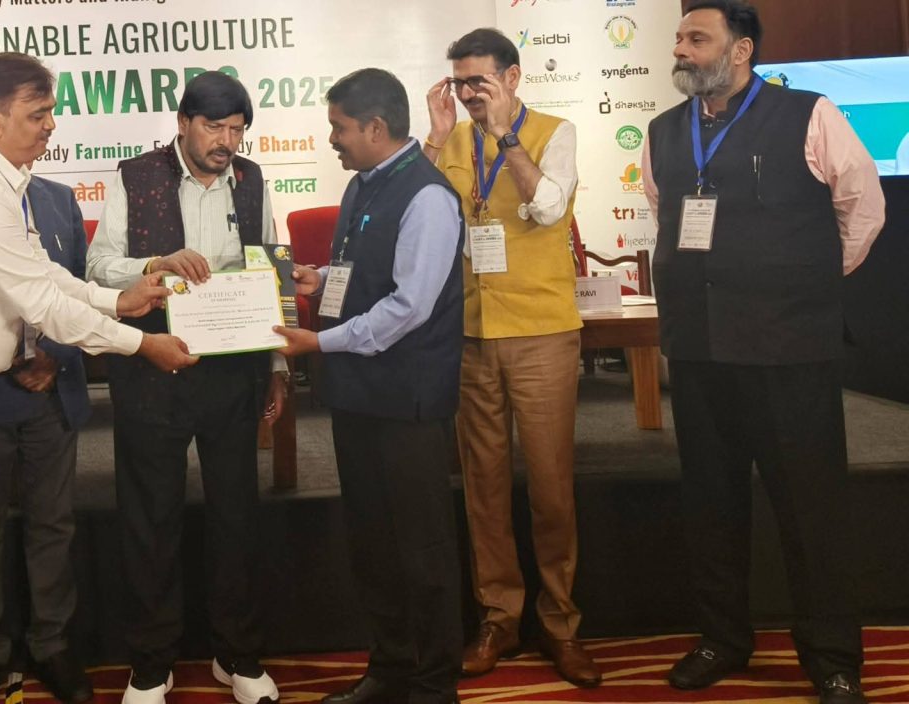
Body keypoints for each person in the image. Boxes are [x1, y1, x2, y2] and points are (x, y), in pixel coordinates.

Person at [0, 51, 194, 704]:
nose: (51, 125)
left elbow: (45, 275)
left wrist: (118, 300)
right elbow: (41, 303)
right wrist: (142, 344)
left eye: (51, 111)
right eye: (38, 113)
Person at [641, 2, 885, 703]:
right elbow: (663, 211)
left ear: (741, 50)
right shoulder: (662, 131)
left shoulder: (809, 114)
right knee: (711, 505)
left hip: (789, 351)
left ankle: (832, 659)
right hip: (699, 351)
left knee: (810, 510)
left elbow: (862, 205)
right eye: (679, 38)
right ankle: (722, 638)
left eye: (697, 38)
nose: (681, 49)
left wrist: (802, 282)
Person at [86, 71, 287, 704]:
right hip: (153, 369)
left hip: (233, 371)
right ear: (183, 123)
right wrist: (156, 263)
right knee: (150, 518)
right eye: (214, 127)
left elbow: (267, 268)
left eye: (237, 130)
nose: (227, 142)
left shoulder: (252, 180)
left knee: (237, 515)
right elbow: (98, 266)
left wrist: (278, 366)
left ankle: (238, 655)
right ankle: (151, 664)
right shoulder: (135, 177)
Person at [274, 67, 464, 704]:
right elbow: (367, 271)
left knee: (421, 547)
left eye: (340, 128)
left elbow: (410, 306)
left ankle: (433, 683)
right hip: (358, 393)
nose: (332, 139)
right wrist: (321, 278)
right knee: (373, 541)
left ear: (376, 128)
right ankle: (390, 669)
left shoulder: (428, 196)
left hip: (406, 401)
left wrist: (318, 343)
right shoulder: (362, 184)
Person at [422, 28, 600, 687]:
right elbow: (422, 217)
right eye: (460, 82)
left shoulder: (555, 132)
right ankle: (499, 619)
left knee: (551, 487)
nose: (469, 93)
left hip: (541, 331)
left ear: (513, 78)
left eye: (480, 81)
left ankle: (561, 625)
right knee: (484, 488)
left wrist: (506, 138)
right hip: (471, 332)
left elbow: (548, 210)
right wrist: (436, 138)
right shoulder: (451, 140)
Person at [0, 173, 95, 703]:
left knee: (53, 526)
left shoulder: (59, 199)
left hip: (54, 393)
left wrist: (56, 356)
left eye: (48, 128)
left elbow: (78, 289)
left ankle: (51, 644)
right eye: (36, 125)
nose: (45, 133)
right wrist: (12, 358)